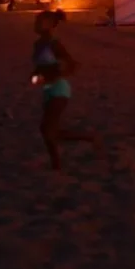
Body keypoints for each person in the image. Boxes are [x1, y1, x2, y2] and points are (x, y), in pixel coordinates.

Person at [31, 9, 101, 171]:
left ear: (49, 25)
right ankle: (87, 138)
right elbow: (40, 67)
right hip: (48, 89)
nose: (35, 24)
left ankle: (57, 164)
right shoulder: (37, 44)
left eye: (38, 21)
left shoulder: (54, 44)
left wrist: (54, 76)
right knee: (48, 130)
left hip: (59, 89)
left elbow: (73, 65)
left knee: (47, 129)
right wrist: (35, 77)